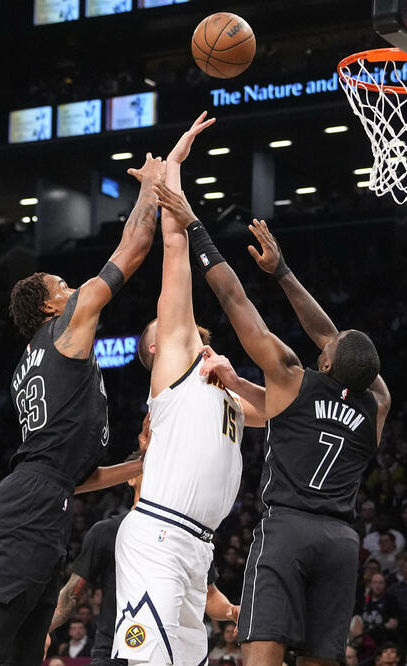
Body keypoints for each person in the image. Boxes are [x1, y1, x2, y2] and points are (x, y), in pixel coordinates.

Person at [0, 151, 164, 666]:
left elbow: (78, 478)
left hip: (47, 495)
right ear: (50, 306)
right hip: (33, 502)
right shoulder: (65, 329)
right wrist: (151, 188)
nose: (73, 289)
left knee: (26, 652)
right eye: (62, 287)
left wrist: (142, 464)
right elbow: (133, 247)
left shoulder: (40, 356)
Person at [153, 191, 389, 663]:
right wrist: (282, 274)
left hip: (289, 531)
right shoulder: (379, 401)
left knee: (262, 653)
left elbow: (232, 296)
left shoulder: (291, 375)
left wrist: (197, 227)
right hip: (342, 543)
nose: (328, 335)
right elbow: (331, 339)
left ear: (327, 359)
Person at [112, 113, 260, 666]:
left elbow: (272, 413)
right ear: (155, 350)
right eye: (163, 329)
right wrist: (172, 171)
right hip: (159, 537)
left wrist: (237, 379)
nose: (173, 325)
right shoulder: (175, 357)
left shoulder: (220, 381)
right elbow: (176, 253)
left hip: (197, 547)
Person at [51, 435, 240, 665]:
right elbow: (72, 593)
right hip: (112, 651)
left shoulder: (185, 532)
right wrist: (42, 630)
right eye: (151, 467)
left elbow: (208, 594)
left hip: (166, 649)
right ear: (129, 477)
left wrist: (231, 611)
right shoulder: (107, 532)